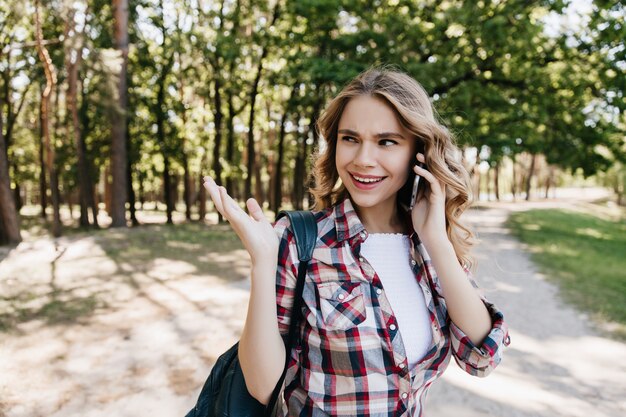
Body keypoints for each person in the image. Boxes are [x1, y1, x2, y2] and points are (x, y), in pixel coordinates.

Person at [203, 67, 510, 417]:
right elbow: (261, 386)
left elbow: (481, 357)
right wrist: (261, 261)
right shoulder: (301, 240)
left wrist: (436, 239)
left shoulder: (429, 245)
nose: (363, 159)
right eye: (350, 139)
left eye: (386, 142)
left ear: (418, 153)